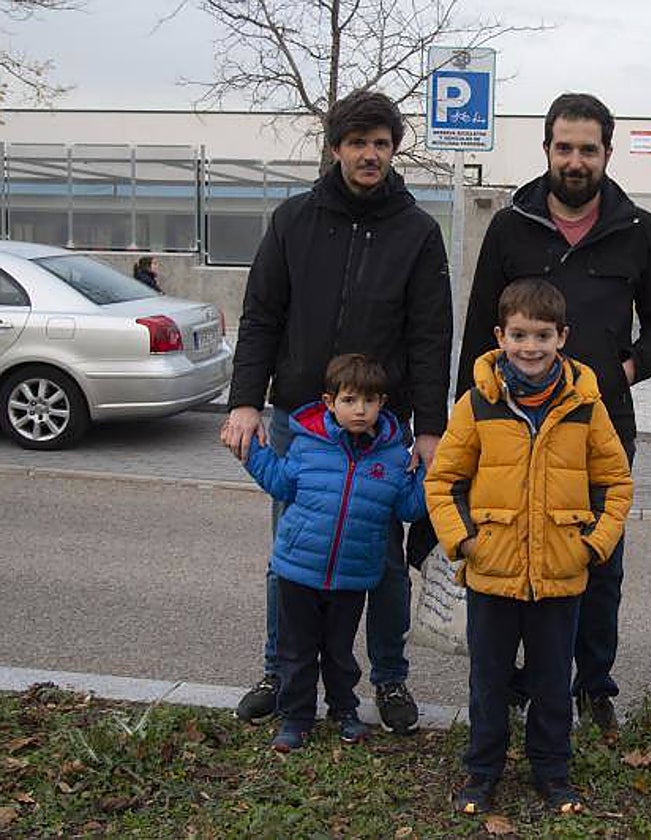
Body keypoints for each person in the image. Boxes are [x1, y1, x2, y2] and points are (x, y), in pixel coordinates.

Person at [219, 88, 452, 734]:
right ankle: (279, 671)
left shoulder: (418, 232)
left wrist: (429, 429)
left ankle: (390, 679)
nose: (370, 155)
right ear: (336, 149)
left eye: (381, 144)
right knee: (290, 554)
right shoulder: (292, 220)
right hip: (302, 419)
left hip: (383, 429)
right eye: (358, 144)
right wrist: (244, 401)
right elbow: (261, 315)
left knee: (382, 562)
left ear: (394, 149)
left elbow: (432, 337)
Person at [456, 92, 651, 735]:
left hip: (599, 426)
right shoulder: (511, 225)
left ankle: (592, 684)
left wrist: (627, 370)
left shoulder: (637, 229)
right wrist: (464, 419)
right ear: (548, 150)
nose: (576, 160)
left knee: (596, 561)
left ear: (607, 153)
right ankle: (514, 681)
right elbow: (479, 325)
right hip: (511, 428)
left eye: (589, 148)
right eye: (565, 147)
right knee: (512, 551)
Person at [427, 279, 633, 814]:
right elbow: (443, 481)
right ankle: (482, 772)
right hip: (491, 571)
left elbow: (616, 482)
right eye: (519, 334)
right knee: (489, 681)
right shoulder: (477, 405)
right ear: (500, 336)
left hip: (561, 573)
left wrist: (594, 546)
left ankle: (552, 772)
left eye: (542, 335)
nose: (531, 346)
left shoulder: (586, 407)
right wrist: (462, 540)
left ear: (562, 337)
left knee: (551, 683)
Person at [240, 354, 427, 752]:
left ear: (383, 404)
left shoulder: (393, 456)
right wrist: (249, 452)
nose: (359, 410)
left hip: (353, 575)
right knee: (297, 650)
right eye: (349, 400)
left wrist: (434, 469)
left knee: (340, 653)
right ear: (329, 402)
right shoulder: (308, 445)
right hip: (298, 571)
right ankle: (295, 717)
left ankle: (344, 709)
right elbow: (280, 482)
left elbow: (409, 507)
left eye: (370, 401)